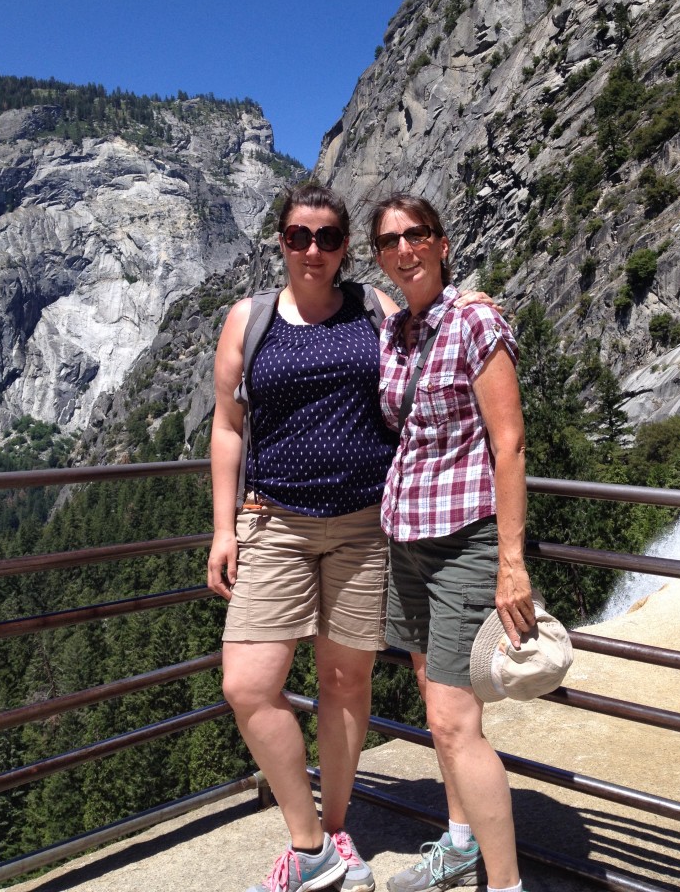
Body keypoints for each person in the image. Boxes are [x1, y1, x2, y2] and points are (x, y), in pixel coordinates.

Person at [207, 183, 401, 892]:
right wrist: (222, 529)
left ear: (345, 246)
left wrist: (474, 307)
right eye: (298, 235)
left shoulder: (373, 310)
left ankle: (337, 834)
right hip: (274, 523)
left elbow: (432, 343)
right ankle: (308, 839)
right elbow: (228, 427)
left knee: (346, 682)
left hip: (364, 526)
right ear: (280, 241)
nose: (312, 249)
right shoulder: (249, 319)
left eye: (326, 237)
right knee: (248, 685)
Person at [368, 193, 536, 892]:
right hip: (405, 539)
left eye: (417, 235)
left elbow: (510, 444)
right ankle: (461, 842)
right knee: (434, 705)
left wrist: (511, 561)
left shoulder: (475, 321)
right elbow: (360, 297)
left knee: (453, 718)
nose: (404, 248)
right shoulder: (396, 329)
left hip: (464, 542)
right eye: (388, 240)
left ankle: (505, 884)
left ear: (441, 242)